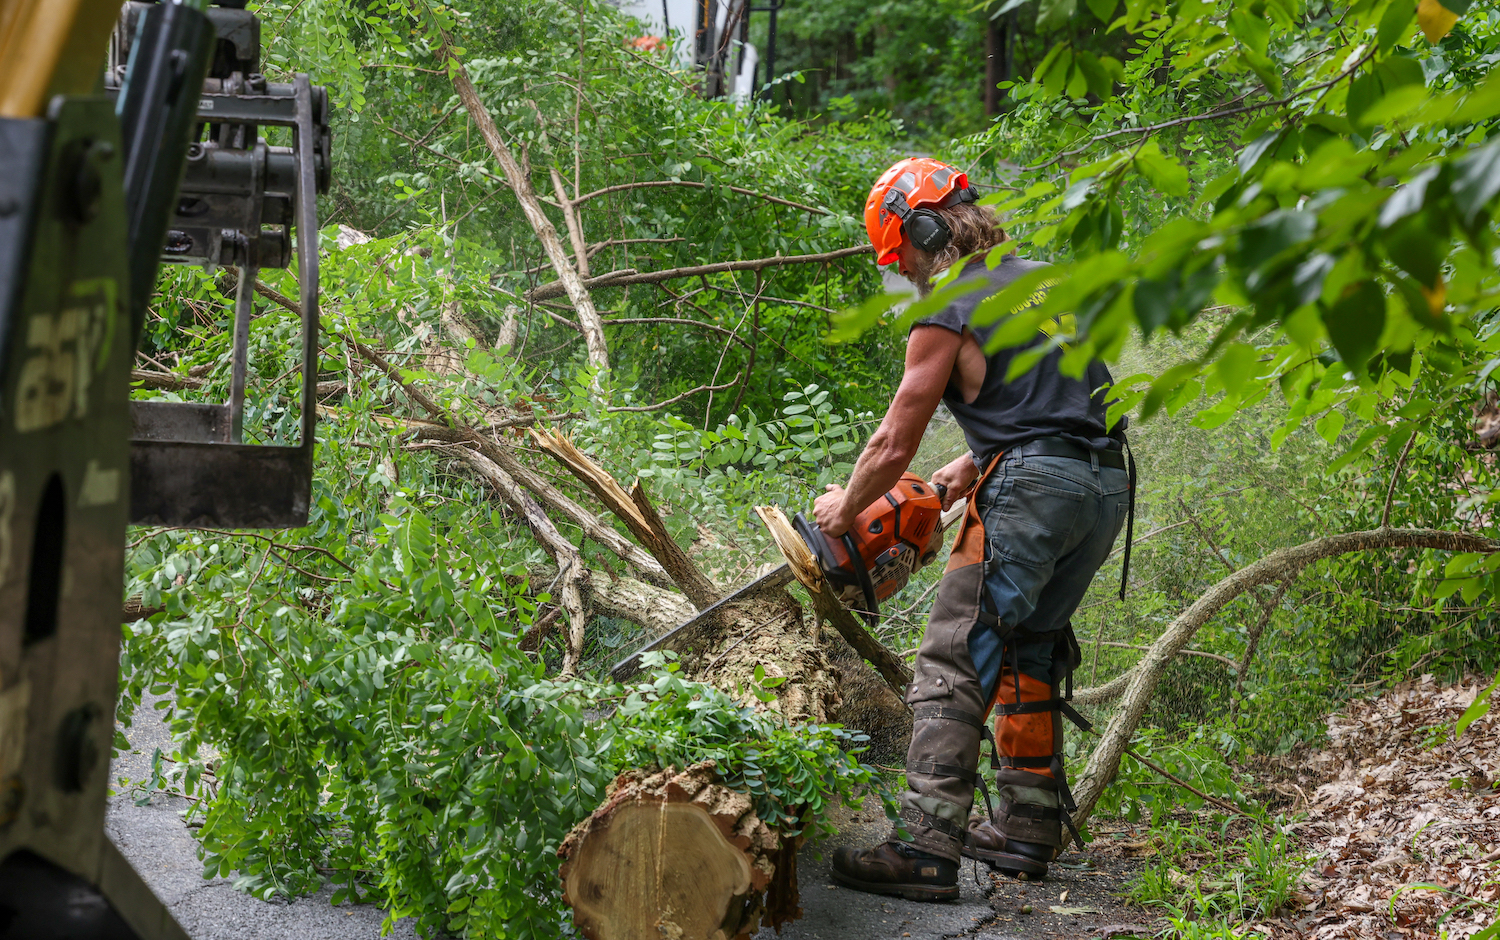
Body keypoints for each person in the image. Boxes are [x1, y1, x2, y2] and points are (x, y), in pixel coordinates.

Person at [813, 157, 1132, 900]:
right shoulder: (1047, 280)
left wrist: (848, 510)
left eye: (904, 256)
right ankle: (1027, 827)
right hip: (1105, 484)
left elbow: (893, 442)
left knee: (954, 655)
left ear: (923, 230)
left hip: (1034, 489)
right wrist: (970, 464)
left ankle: (925, 846)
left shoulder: (950, 303)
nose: (909, 272)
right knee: (1030, 648)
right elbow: (1063, 402)